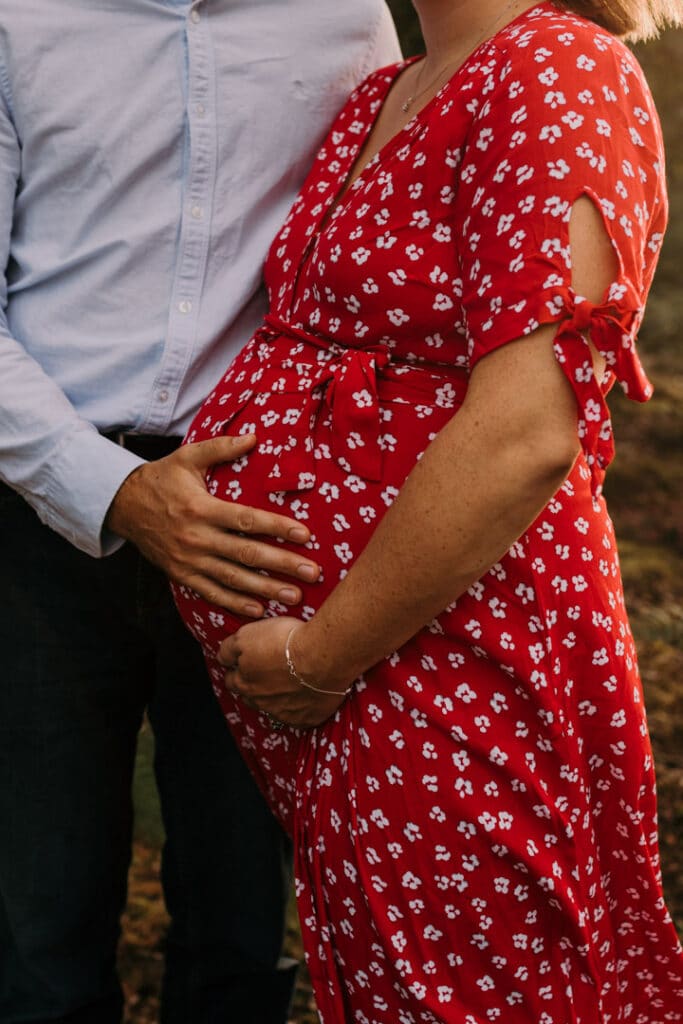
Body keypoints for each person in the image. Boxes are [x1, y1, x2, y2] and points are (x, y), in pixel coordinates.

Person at [172, 0, 683, 1021]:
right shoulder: (391, 84)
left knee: (478, 986)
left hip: (442, 644)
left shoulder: (557, 71)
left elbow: (525, 431)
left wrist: (320, 656)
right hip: (363, 667)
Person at [0, 3, 401, 1022]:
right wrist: (117, 491)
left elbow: (377, 253)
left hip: (261, 525)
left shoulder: (344, 20)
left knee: (239, 920)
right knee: (35, 922)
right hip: (35, 511)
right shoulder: (19, 19)